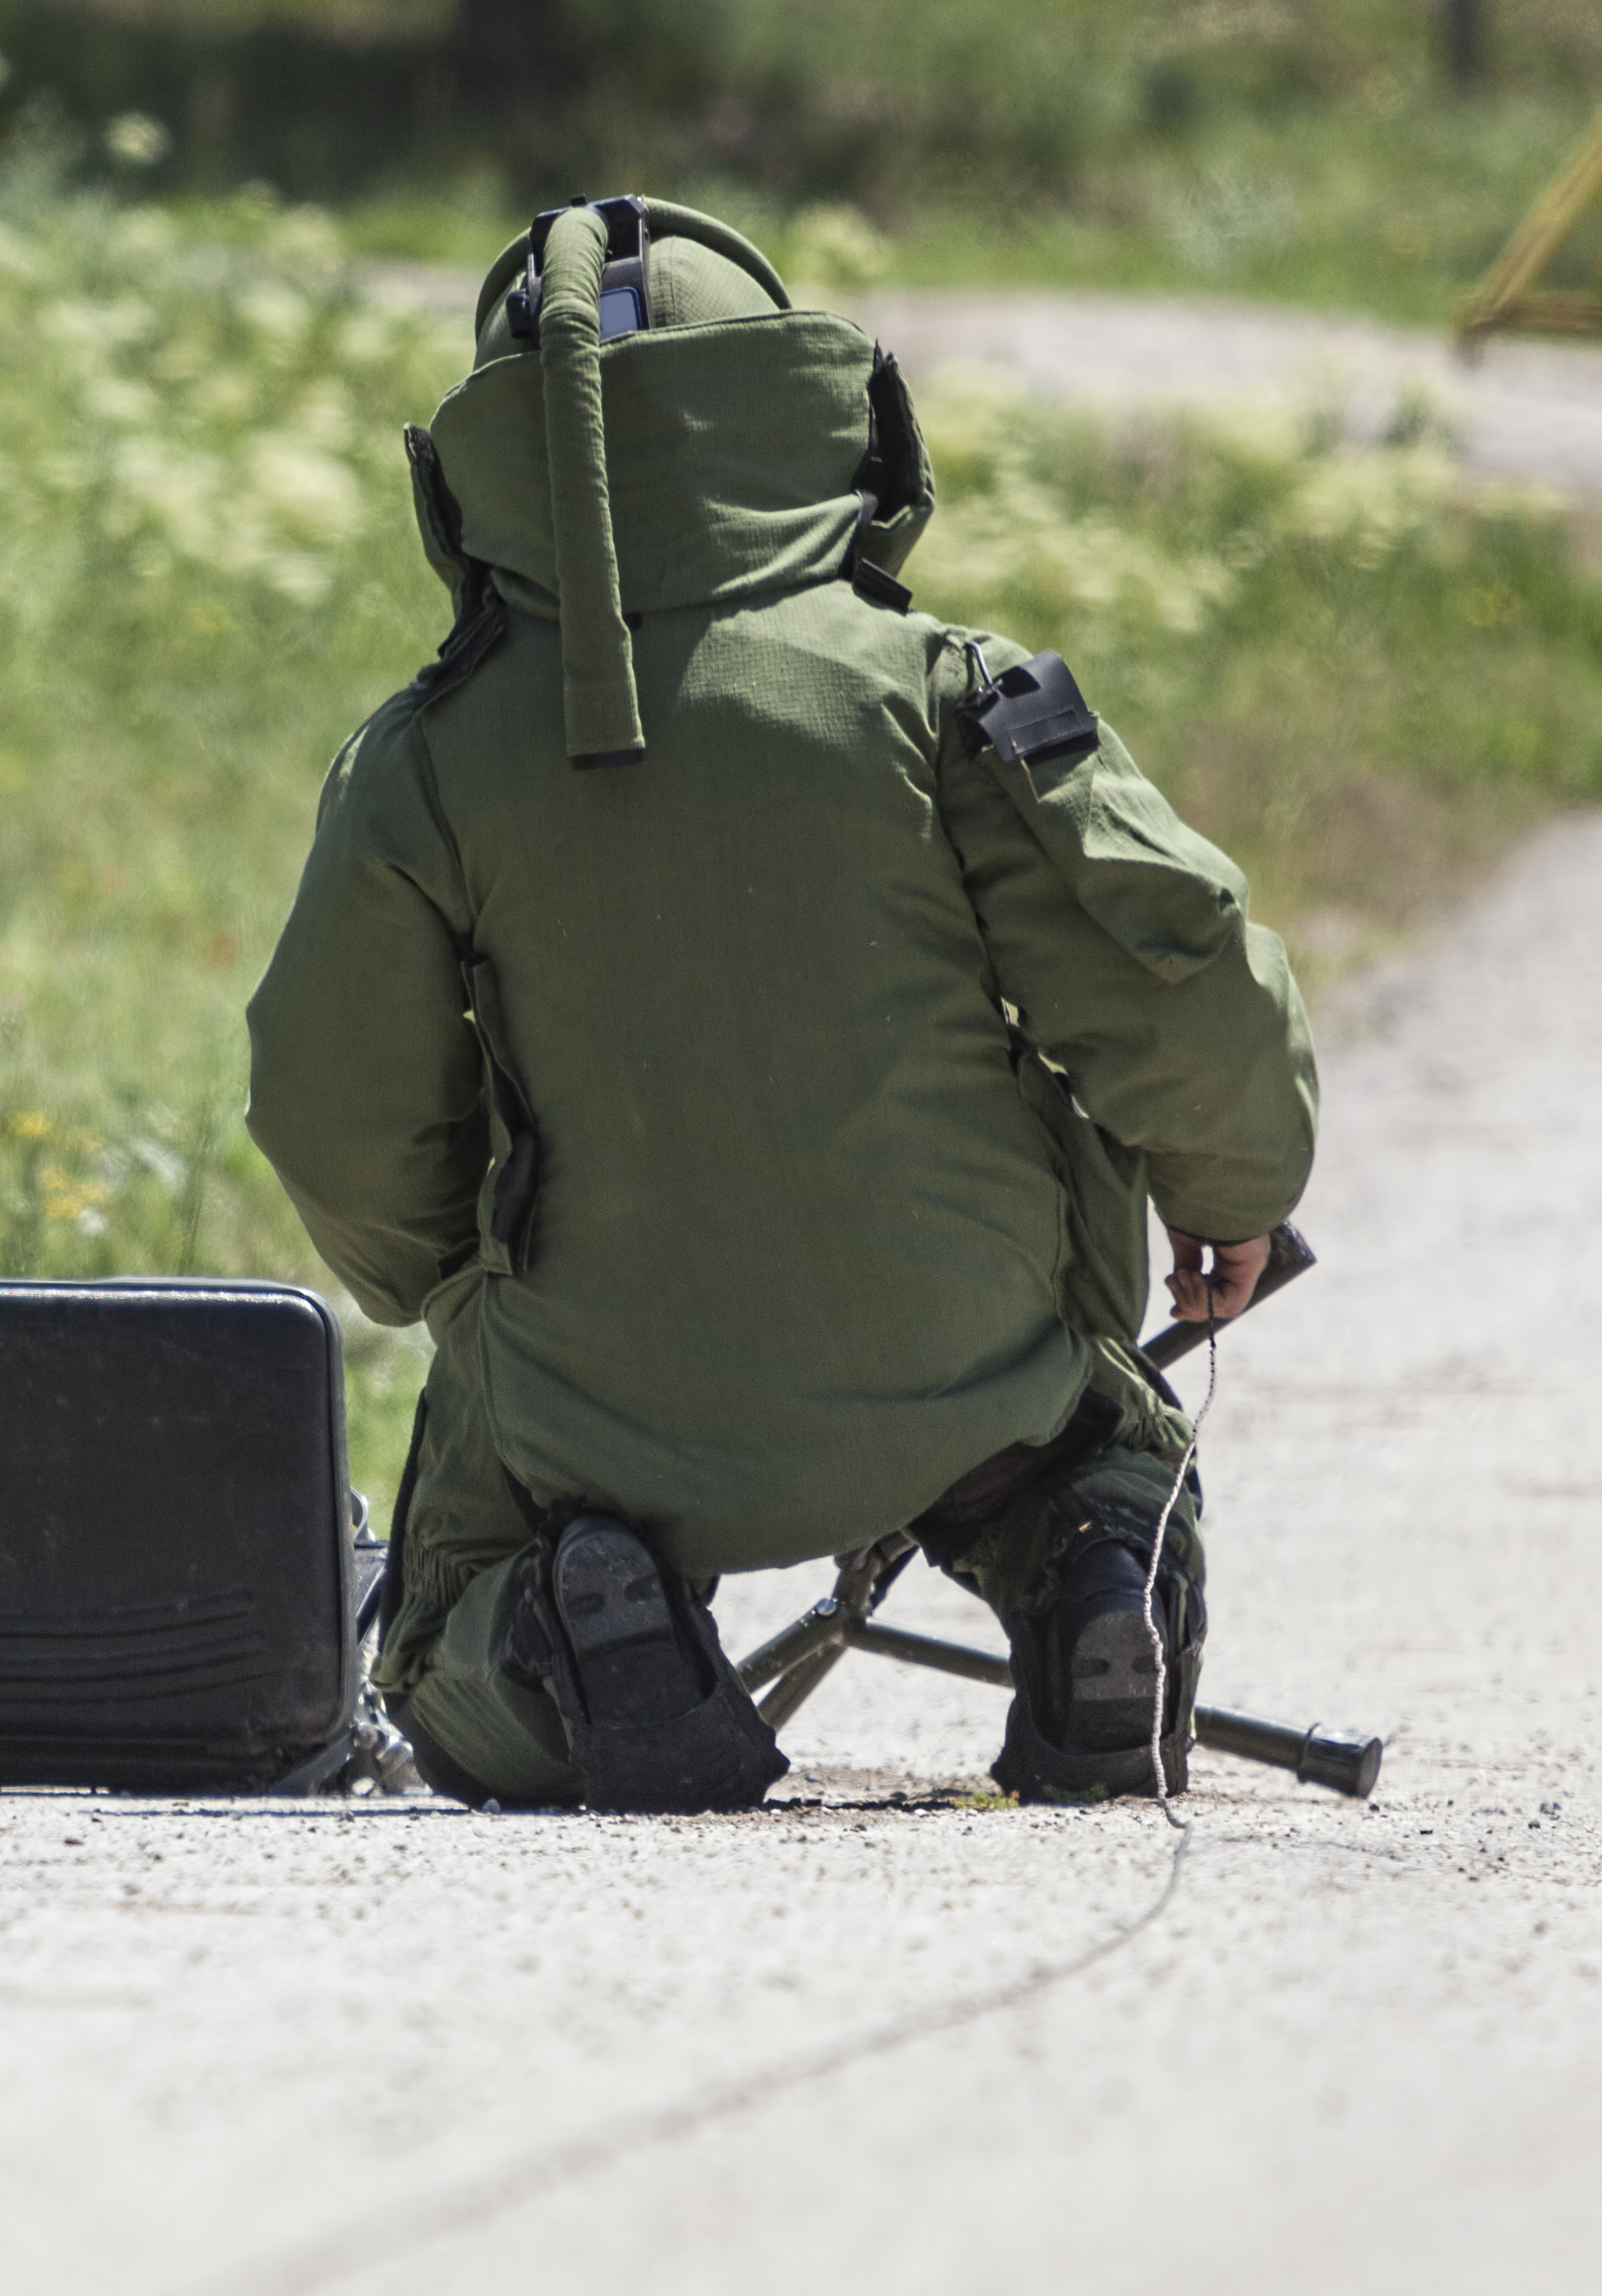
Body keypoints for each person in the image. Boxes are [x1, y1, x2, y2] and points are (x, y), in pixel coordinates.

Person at [245, 197, 1317, 1811]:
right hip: (976, 1357)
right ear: (817, 412)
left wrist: (450, 1291)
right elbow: (1166, 955)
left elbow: (333, 1102)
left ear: (476, 461)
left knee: (431, 1650)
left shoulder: (420, 761)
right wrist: (1230, 1194)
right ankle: (1092, 1575)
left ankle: (567, 1627)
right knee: (1093, 1447)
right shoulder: (945, 689)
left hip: (591, 1405)